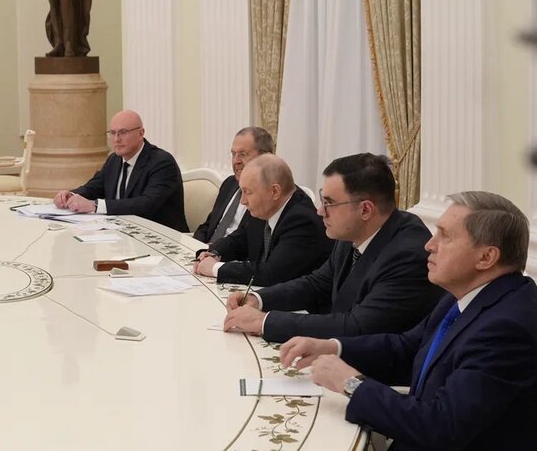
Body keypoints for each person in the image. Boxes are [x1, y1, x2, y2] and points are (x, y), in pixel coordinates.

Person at [280, 192, 537, 451]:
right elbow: (406, 347)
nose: (429, 245)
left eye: (445, 236)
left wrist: (351, 384)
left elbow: (441, 427)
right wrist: (333, 347)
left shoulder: (507, 328)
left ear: (485, 258)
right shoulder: (464, 295)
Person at [223, 153, 443, 341]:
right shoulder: (352, 233)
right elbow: (317, 284)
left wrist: (266, 322)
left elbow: (357, 326)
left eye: (329, 203)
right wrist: (259, 299)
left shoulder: (406, 254)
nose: (320, 211)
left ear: (366, 210)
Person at [192, 154, 330, 285]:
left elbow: (271, 273)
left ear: (274, 191)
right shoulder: (266, 207)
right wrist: (215, 253)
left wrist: (216, 268)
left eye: (248, 192)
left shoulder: (302, 220)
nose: (242, 201)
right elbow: (240, 238)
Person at [53, 109, 187, 232]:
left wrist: (95, 205)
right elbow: (93, 188)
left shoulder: (162, 162)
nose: (116, 139)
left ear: (141, 133)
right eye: (112, 133)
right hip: (120, 234)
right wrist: (70, 195)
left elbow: (146, 204)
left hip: (160, 238)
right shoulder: (114, 160)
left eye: (123, 132)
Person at [192, 126, 274, 242]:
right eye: (233, 154)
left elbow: (248, 241)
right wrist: (195, 249)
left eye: (243, 154)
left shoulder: (268, 194)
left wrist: (214, 252)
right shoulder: (229, 184)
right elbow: (208, 226)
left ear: (265, 156)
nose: (236, 161)